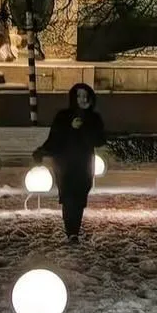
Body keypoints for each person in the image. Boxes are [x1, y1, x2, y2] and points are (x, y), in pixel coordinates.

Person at [33, 82, 106, 243]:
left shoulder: (94, 118)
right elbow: (55, 138)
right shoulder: (63, 116)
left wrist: (84, 128)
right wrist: (42, 151)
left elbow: (99, 140)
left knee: (79, 198)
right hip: (64, 164)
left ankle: (74, 230)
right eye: (79, 96)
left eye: (85, 96)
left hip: (83, 164)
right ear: (74, 98)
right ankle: (71, 232)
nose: (82, 99)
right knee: (68, 198)